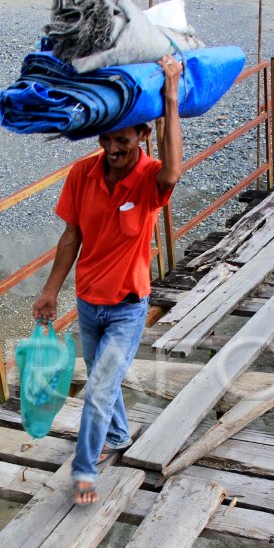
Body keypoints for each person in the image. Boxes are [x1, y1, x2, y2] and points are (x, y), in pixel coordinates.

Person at [33, 54, 183, 505]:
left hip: (127, 307)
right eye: (106, 139)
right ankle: (118, 434)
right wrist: (50, 290)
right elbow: (71, 235)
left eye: (123, 140)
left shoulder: (151, 179)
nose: (113, 149)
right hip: (88, 304)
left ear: (143, 134)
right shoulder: (83, 174)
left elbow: (174, 169)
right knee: (104, 382)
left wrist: (172, 97)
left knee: (98, 386)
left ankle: (83, 469)